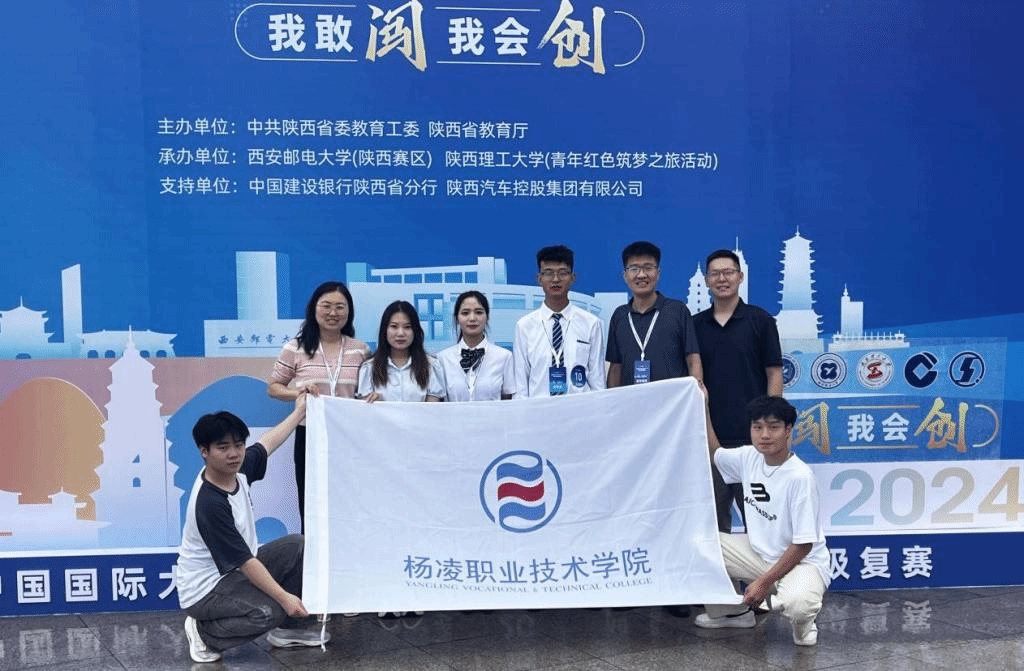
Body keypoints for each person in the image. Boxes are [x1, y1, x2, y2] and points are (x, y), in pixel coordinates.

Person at [177, 395, 329, 663]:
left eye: (238, 445)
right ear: (204, 451)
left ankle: (289, 631)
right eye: (223, 447)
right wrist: (286, 599)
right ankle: (204, 634)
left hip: (235, 572)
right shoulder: (210, 503)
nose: (233, 454)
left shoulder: (238, 469)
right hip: (205, 589)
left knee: (298, 545)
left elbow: (267, 443)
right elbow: (245, 562)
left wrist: (299, 413)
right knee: (270, 611)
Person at [696, 395, 830, 647]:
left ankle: (804, 628)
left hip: (802, 563)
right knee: (698, 545)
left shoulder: (800, 477)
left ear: (788, 430)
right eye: (757, 427)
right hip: (759, 555)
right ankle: (732, 614)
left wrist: (762, 583)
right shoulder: (749, 457)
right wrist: (703, 406)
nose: (765, 435)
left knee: (799, 605)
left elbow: (803, 545)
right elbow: (716, 453)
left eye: (773, 427)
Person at [268, 281, 370, 534]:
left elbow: (366, 390)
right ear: (314, 308)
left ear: (349, 312)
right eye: (326, 306)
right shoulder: (295, 347)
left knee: (350, 498)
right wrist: (298, 392)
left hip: (349, 437)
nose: (333, 313)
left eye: (340, 307)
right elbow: (274, 387)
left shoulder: (360, 350)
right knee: (310, 500)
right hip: (310, 434)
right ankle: (311, 552)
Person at [694, 249, 783, 532]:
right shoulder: (695, 326)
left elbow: (774, 373)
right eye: (715, 274)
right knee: (714, 527)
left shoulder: (760, 320)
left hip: (753, 442)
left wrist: (770, 425)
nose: (722, 279)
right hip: (709, 442)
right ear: (706, 280)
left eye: (728, 272)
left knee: (761, 524)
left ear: (740, 277)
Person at [605, 240, 703, 388]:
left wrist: (697, 392)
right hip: (632, 401)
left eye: (648, 267)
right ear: (625, 275)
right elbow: (615, 368)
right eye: (634, 269)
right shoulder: (620, 315)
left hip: (672, 401)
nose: (641, 275)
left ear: (658, 273)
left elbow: (693, 360)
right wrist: (611, 400)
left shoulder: (678, 310)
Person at [513, 245, 605, 398]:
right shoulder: (524, 326)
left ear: (572, 278)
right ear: (539, 279)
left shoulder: (591, 323)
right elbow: (520, 383)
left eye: (562, 273)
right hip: (540, 408)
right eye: (548, 273)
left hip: (580, 408)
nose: (555, 279)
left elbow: (597, 380)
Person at [358, 300, 444, 402]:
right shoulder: (370, 367)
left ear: (415, 331)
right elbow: (364, 408)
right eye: (394, 326)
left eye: (407, 327)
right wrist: (374, 402)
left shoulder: (431, 366)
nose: (400, 333)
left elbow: (432, 409)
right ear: (384, 330)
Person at [437, 291, 515, 401]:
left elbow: (508, 400)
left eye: (479, 312)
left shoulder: (504, 357)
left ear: (487, 317)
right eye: (465, 313)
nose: (472, 318)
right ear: (457, 318)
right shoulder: (443, 359)